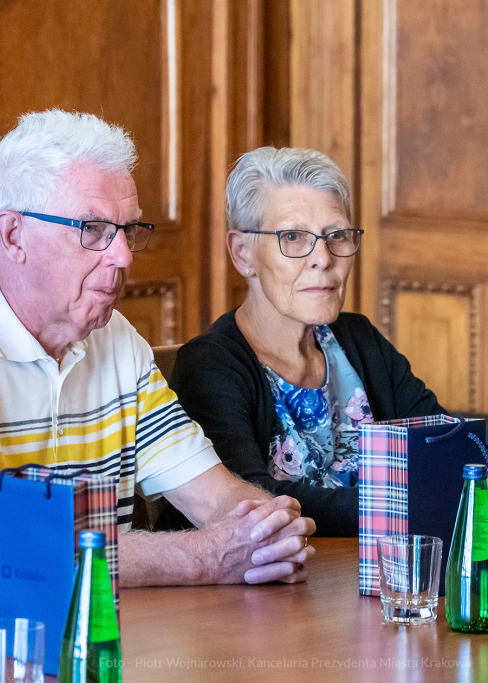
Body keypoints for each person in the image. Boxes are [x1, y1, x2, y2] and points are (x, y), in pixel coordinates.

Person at [0, 110, 315, 587]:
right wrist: (202, 557)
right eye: (92, 229)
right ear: (13, 235)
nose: (124, 256)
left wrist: (268, 528)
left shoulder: (116, 339)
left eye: (128, 229)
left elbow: (215, 497)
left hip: (97, 633)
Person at [169, 147, 445, 536]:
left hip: (369, 573)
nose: (323, 258)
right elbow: (247, 499)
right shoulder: (210, 365)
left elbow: (443, 447)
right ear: (242, 252)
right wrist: (409, 504)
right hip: (268, 585)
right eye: (293, 237)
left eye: (336, 236)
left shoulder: (358, 339)